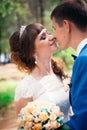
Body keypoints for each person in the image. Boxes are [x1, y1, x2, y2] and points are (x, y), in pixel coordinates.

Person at [9, 23, 70, 122]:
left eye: (49, 33)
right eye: (43, 37)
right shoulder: (25, 88)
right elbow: (25, 126)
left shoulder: (60, 73)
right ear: (32, 51)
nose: (52, 37)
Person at [51, 0, 87, 130]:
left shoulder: (83, 59)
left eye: (54, 28)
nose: (53, 36)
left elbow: (83, 121)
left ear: (66, 25)